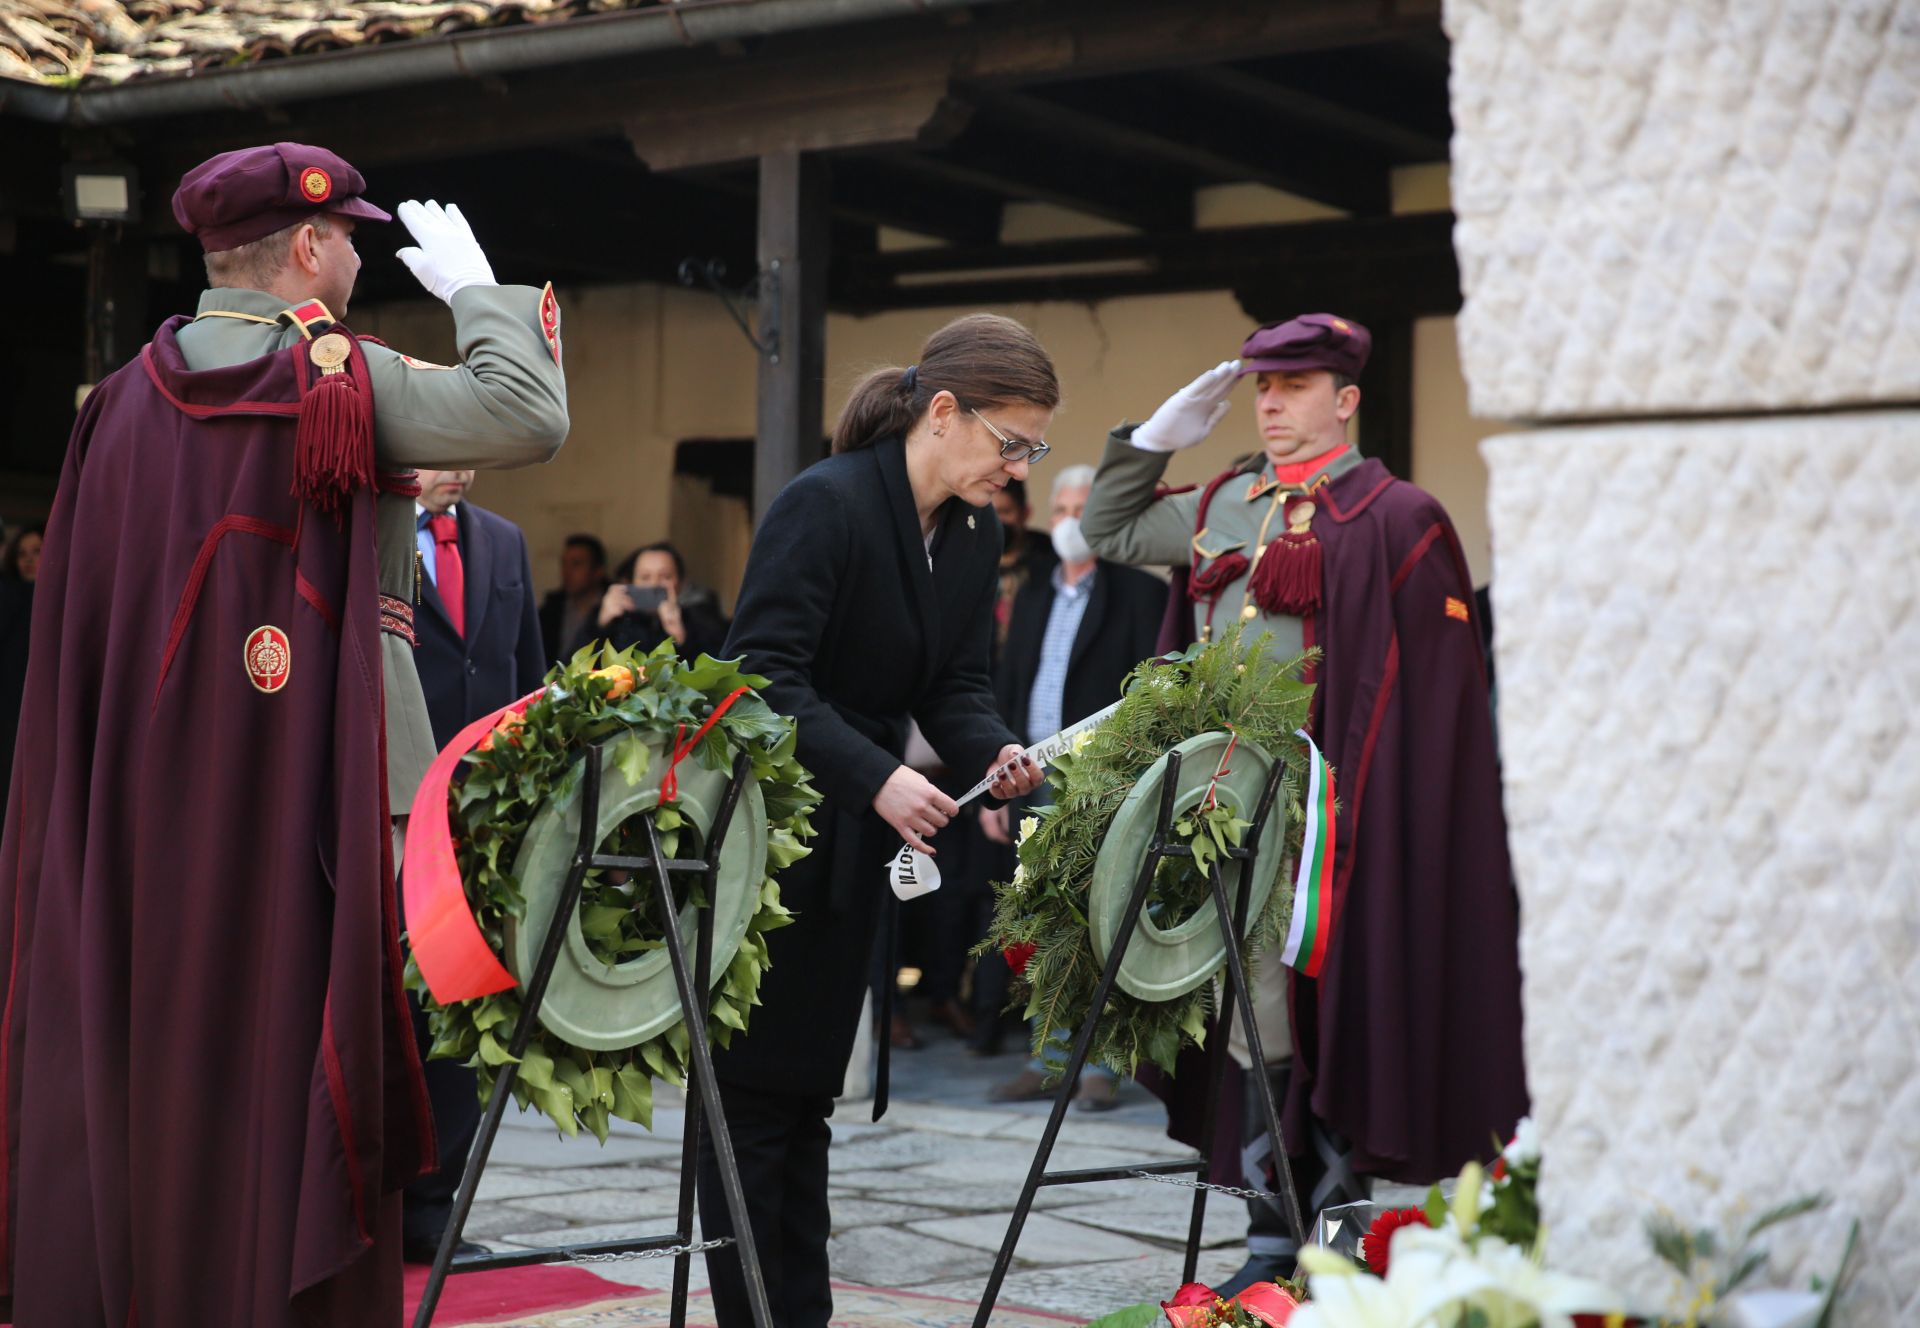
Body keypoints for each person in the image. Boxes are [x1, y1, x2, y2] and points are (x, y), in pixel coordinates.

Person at [0, 143, 567, 1326]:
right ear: (306, 248)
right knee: (278, 1065)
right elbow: (527, 412)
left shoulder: (112, 409)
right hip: (295, 804)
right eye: (352, 233)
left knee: (152, 1060)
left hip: (138, 811)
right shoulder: (343, 378)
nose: (362, 252)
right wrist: (479, 292)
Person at [1081, 313, 1525, 1291]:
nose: (1271, 404)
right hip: (1228, 815)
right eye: (1261, 389)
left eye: (1294, 386)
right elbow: (1106, 527)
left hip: (1344, 822)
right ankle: (1278, 1231)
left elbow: (1437, 700)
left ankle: (1328, 1228)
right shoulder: (1225, 501)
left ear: (1347, 398)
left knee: (1338, 1016)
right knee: (1254, 1024)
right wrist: (1153, 441)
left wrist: (1390, 815)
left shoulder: (1398, 515)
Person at [698, 313, 1052, 1327]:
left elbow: (957, 682)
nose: (1018, 469)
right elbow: (756, 676)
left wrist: (993, 751)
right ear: (945, 412)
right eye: (1012, 442)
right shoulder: (828, 501)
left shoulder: (975, 531)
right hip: (769, 836)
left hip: (851, 834)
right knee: (754, 1105)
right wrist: (877, 775)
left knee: (805, 1099)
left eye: (1033, 449)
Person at [981, 464, 1169, 1106]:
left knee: (1108, 919)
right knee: (1040, 919)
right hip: (1030, 777)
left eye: (1080, 509)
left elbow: (1154, 694)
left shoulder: (1140, 594)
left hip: (1104, 784)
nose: (1066, 522)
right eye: (1058, 509)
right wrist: (992, 782)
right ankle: (1051, 1056)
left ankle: (1104, 1068)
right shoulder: (1034, 590)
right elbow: (1006, 682)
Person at [405, 467, 547, 1260]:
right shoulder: (370, 533)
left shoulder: (504, 540)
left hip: (478, 814)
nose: (459, 466)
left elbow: (525, 676)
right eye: (442, 447)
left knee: (458, 1005)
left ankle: (433, 1207)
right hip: (389, 806)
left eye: (470, 450)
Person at [593, 539, 730, 659]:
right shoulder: (616, 618)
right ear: (631, 582)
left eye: (665, 576)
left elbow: (716, 670)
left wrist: (681, 638)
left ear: (680, 583)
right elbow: (577, 668)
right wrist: (601, 624)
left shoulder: (700, 619)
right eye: (645, 577)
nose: (654, 584)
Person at [988, 475, 1057, 656]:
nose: (997, 521)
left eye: (1005, 512)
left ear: (1025, 513)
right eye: (990, 512)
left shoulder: (1052, 557)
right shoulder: (971, 560)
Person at [0, 524, 40, 817]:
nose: (28, 560)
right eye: (22, 554)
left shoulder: (69, 597)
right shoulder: (10, 596)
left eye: (36, 552)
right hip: (11, 708)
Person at [538, 532, 609, 662]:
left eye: (576, 564)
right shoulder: (551, 609)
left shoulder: (614, 609)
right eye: (564, 563)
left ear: (598, 571)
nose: (567, 571)